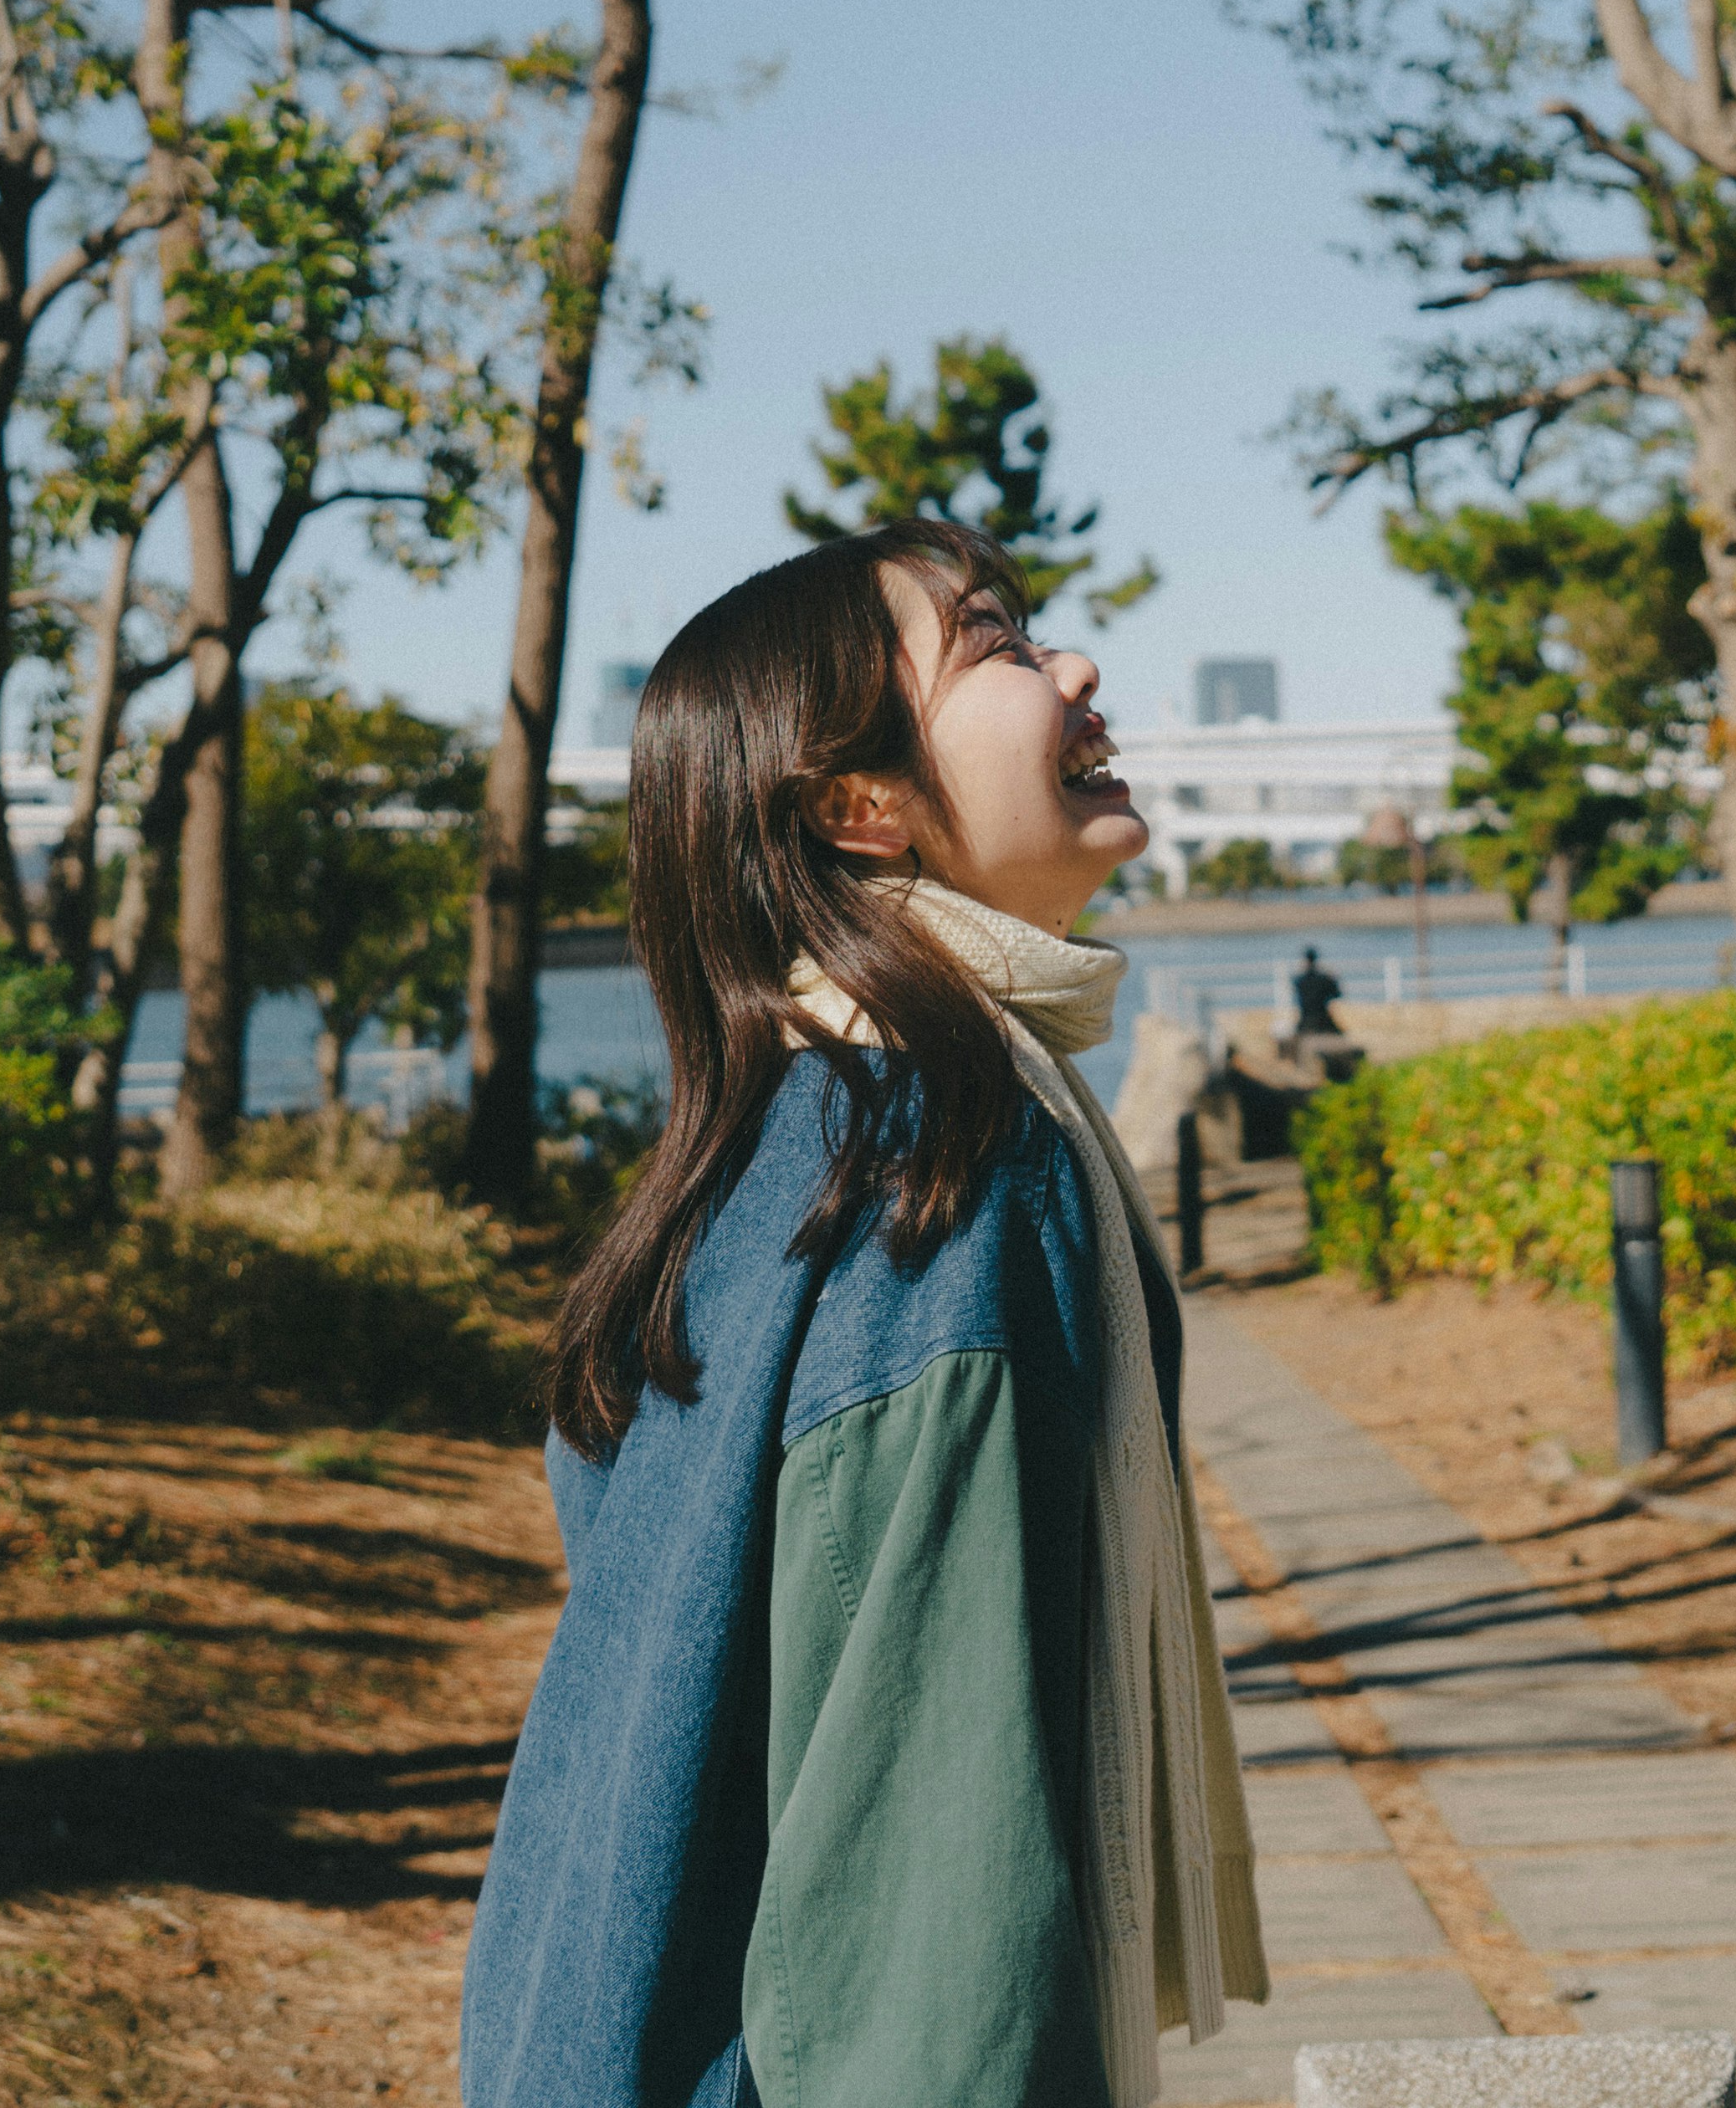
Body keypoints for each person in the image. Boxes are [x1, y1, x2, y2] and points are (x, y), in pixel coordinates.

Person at [459, 520, 1267, 2108]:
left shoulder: (762, 1149)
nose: (1076, 666)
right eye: (998, 644)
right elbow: (935, 1882)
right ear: (859, 804)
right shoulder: (952, 1169)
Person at [1288, 948, 1343, 1037]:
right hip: (1324, 1020)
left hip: (1305, 1020)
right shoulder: (1325, 979)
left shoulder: (1300, 980)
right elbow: (1337, 994)